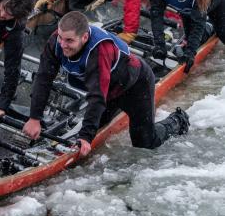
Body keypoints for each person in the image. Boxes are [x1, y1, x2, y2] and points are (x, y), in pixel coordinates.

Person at [19, 11, 189, 157]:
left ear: (84, 37)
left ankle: (178, 120)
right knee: (93, 127)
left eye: (69, 41)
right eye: (61, 38)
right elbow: (43, 79)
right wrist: (35, 117)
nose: (63, 45)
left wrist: (86, 137)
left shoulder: (99, 51)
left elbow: (97, 96)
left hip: (135, 86)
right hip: (108, 89)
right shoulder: (56, 41)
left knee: (145, 143)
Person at [146, 0, 225, 73]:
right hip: (187, 9)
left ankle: (210, 26)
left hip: (216, 1)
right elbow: (156, 14)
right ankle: (206, 29)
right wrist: (159, 45)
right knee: (190, 36)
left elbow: (198, 24)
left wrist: (190, 53)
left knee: (221, 32)